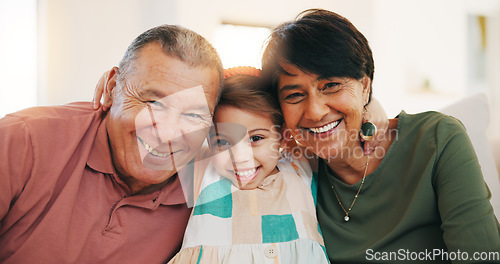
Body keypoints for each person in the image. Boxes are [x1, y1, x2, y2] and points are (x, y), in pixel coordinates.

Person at [261, 8, 500, 263]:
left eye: (331, 85)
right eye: (295, 95)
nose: (316, 111)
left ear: (365, 86)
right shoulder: (294, 173)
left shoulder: (437, 139)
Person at [0, 24, 222, 263]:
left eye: (194, 115)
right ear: (112, 88)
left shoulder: (211, 185)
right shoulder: (22, 139)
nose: (168, 133)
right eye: (153, 102)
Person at [167, 67, 329, 263]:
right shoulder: (204, 169)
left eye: (256, 138)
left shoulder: (299, 164)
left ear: (283, 138)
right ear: (209, 143)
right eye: (223, 142)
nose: (240, 157)